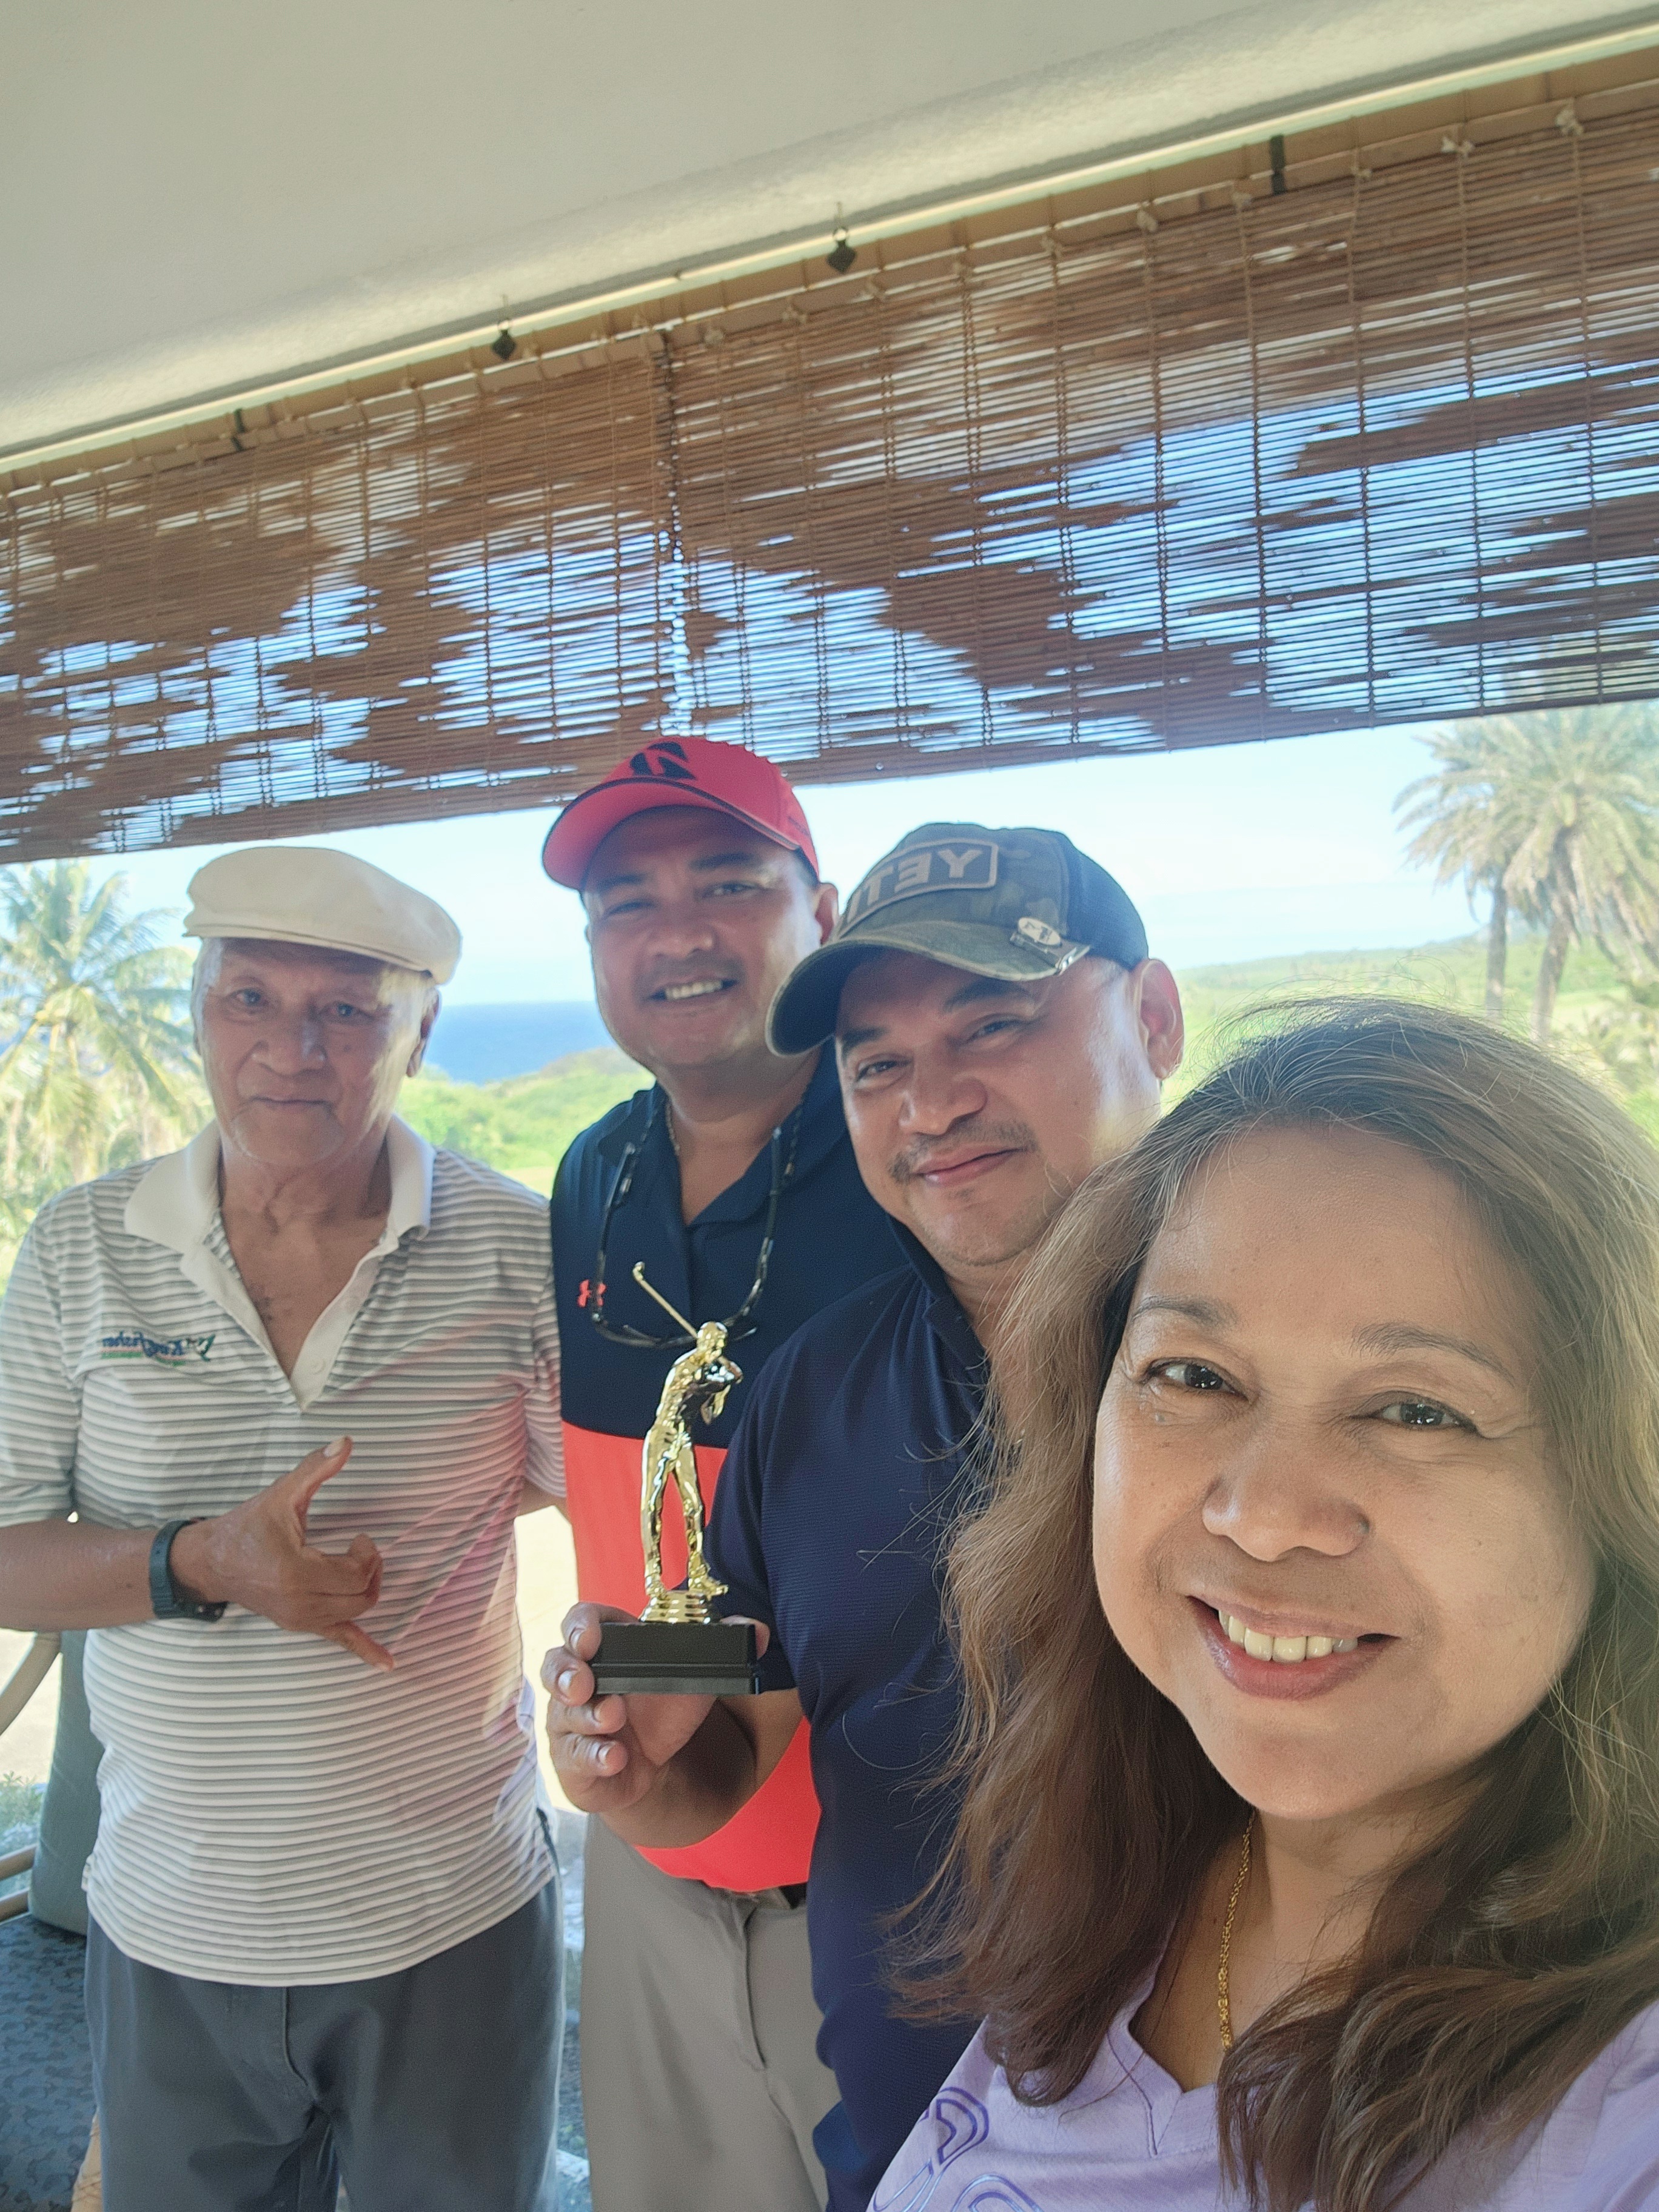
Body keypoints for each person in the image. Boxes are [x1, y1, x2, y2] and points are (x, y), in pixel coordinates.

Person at [879, 998, 1659, 2212]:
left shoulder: (1617, 2109)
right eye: (1194, 1377)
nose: (1264, 1512)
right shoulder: (1131, 1860)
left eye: (1416, 1408)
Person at [546, 821, 1185, 2209]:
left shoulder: (1288, 1375)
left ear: (1154, 1015)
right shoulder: (813, 1391)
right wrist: (640, 1769)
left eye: (994, 1023)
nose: (931, 1103)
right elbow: (737, 1742)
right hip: (904, 2152)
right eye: (875, 1062)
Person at [0, 846, 566, 2212]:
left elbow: (595, 1494)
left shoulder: (516, 1247)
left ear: (420, 1031)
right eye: (246, 998)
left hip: (452, 1919)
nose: (289, 1052)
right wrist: (198, 1562)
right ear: (197, 1009)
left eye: (348, 1012)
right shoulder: (84, 1245)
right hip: (172, 1923)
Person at [541, 736, 897, 2212]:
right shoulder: (591, 1176)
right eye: (626, 901)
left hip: (903, 1892)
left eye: (731, 882)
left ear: (819, 912)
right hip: (653, 1858)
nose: (676, 932)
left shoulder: (915, 1150)